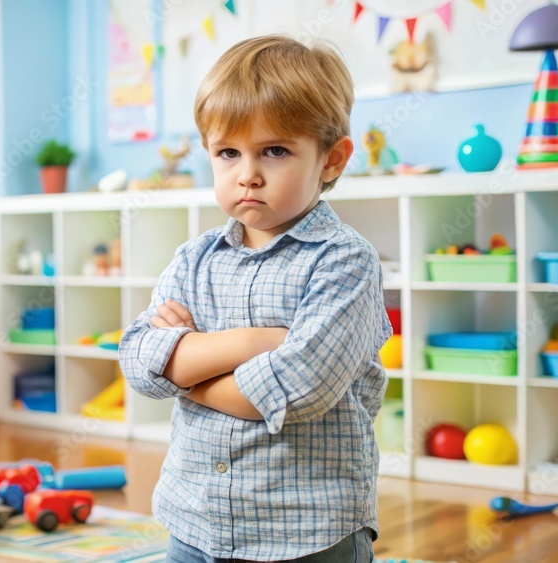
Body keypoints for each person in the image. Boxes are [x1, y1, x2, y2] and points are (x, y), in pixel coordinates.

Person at [118, 35, 392, 562]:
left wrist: (187, 366)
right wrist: (256, 342)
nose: (248, 173)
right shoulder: (194, 258)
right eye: (228, 153)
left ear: (331, 160)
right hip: (193, 520)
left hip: (306, 532)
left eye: (275, 150)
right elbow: (136, 358)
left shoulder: (345, 262)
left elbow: (298, 389)